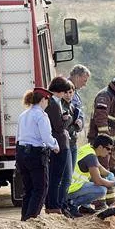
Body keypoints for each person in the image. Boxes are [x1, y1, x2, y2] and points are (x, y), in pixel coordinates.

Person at [16, 88, 59, 221]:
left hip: (21, 152)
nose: (48, 103)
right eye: (48, 100)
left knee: (28, 189)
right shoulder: (41, 115)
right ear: (43, 100)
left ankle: (25, 218)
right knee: (40, 188)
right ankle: (32, 219)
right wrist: (55, 146)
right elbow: (46, 137)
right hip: (36, 154)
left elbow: (18, 136)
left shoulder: (23, 114)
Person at [65, 134, 115, 214]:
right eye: (108, 149)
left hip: (67, 186)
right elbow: (98, 181)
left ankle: (85, 206)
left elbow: (99, 167)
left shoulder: (88, 149)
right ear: (100, 147)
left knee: (94, 179)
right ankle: (72, 204)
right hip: (70, 189)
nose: (109, 152)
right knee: (101, 190)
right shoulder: (91, 157)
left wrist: (109, 174)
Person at [44, 77, 74, 216]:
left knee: (54, 177)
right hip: (59, 144)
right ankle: (53, 205)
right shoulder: (53, 104)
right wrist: (67, 120)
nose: (65, 95)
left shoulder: (52, 102)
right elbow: (58, 127)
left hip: (58, 143)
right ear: (59, 91)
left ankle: (52, 204)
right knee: (56, 177)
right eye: (64, 91)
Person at [67, 64, 90, 171]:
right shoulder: (65, 90)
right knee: (65, 176)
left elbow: (78, 111)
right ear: (77, 77)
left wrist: (80, 120)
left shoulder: (75, 93)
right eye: (84, 81)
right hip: (66, 139)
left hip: (72, 138)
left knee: (69, 175)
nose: (85, 85)